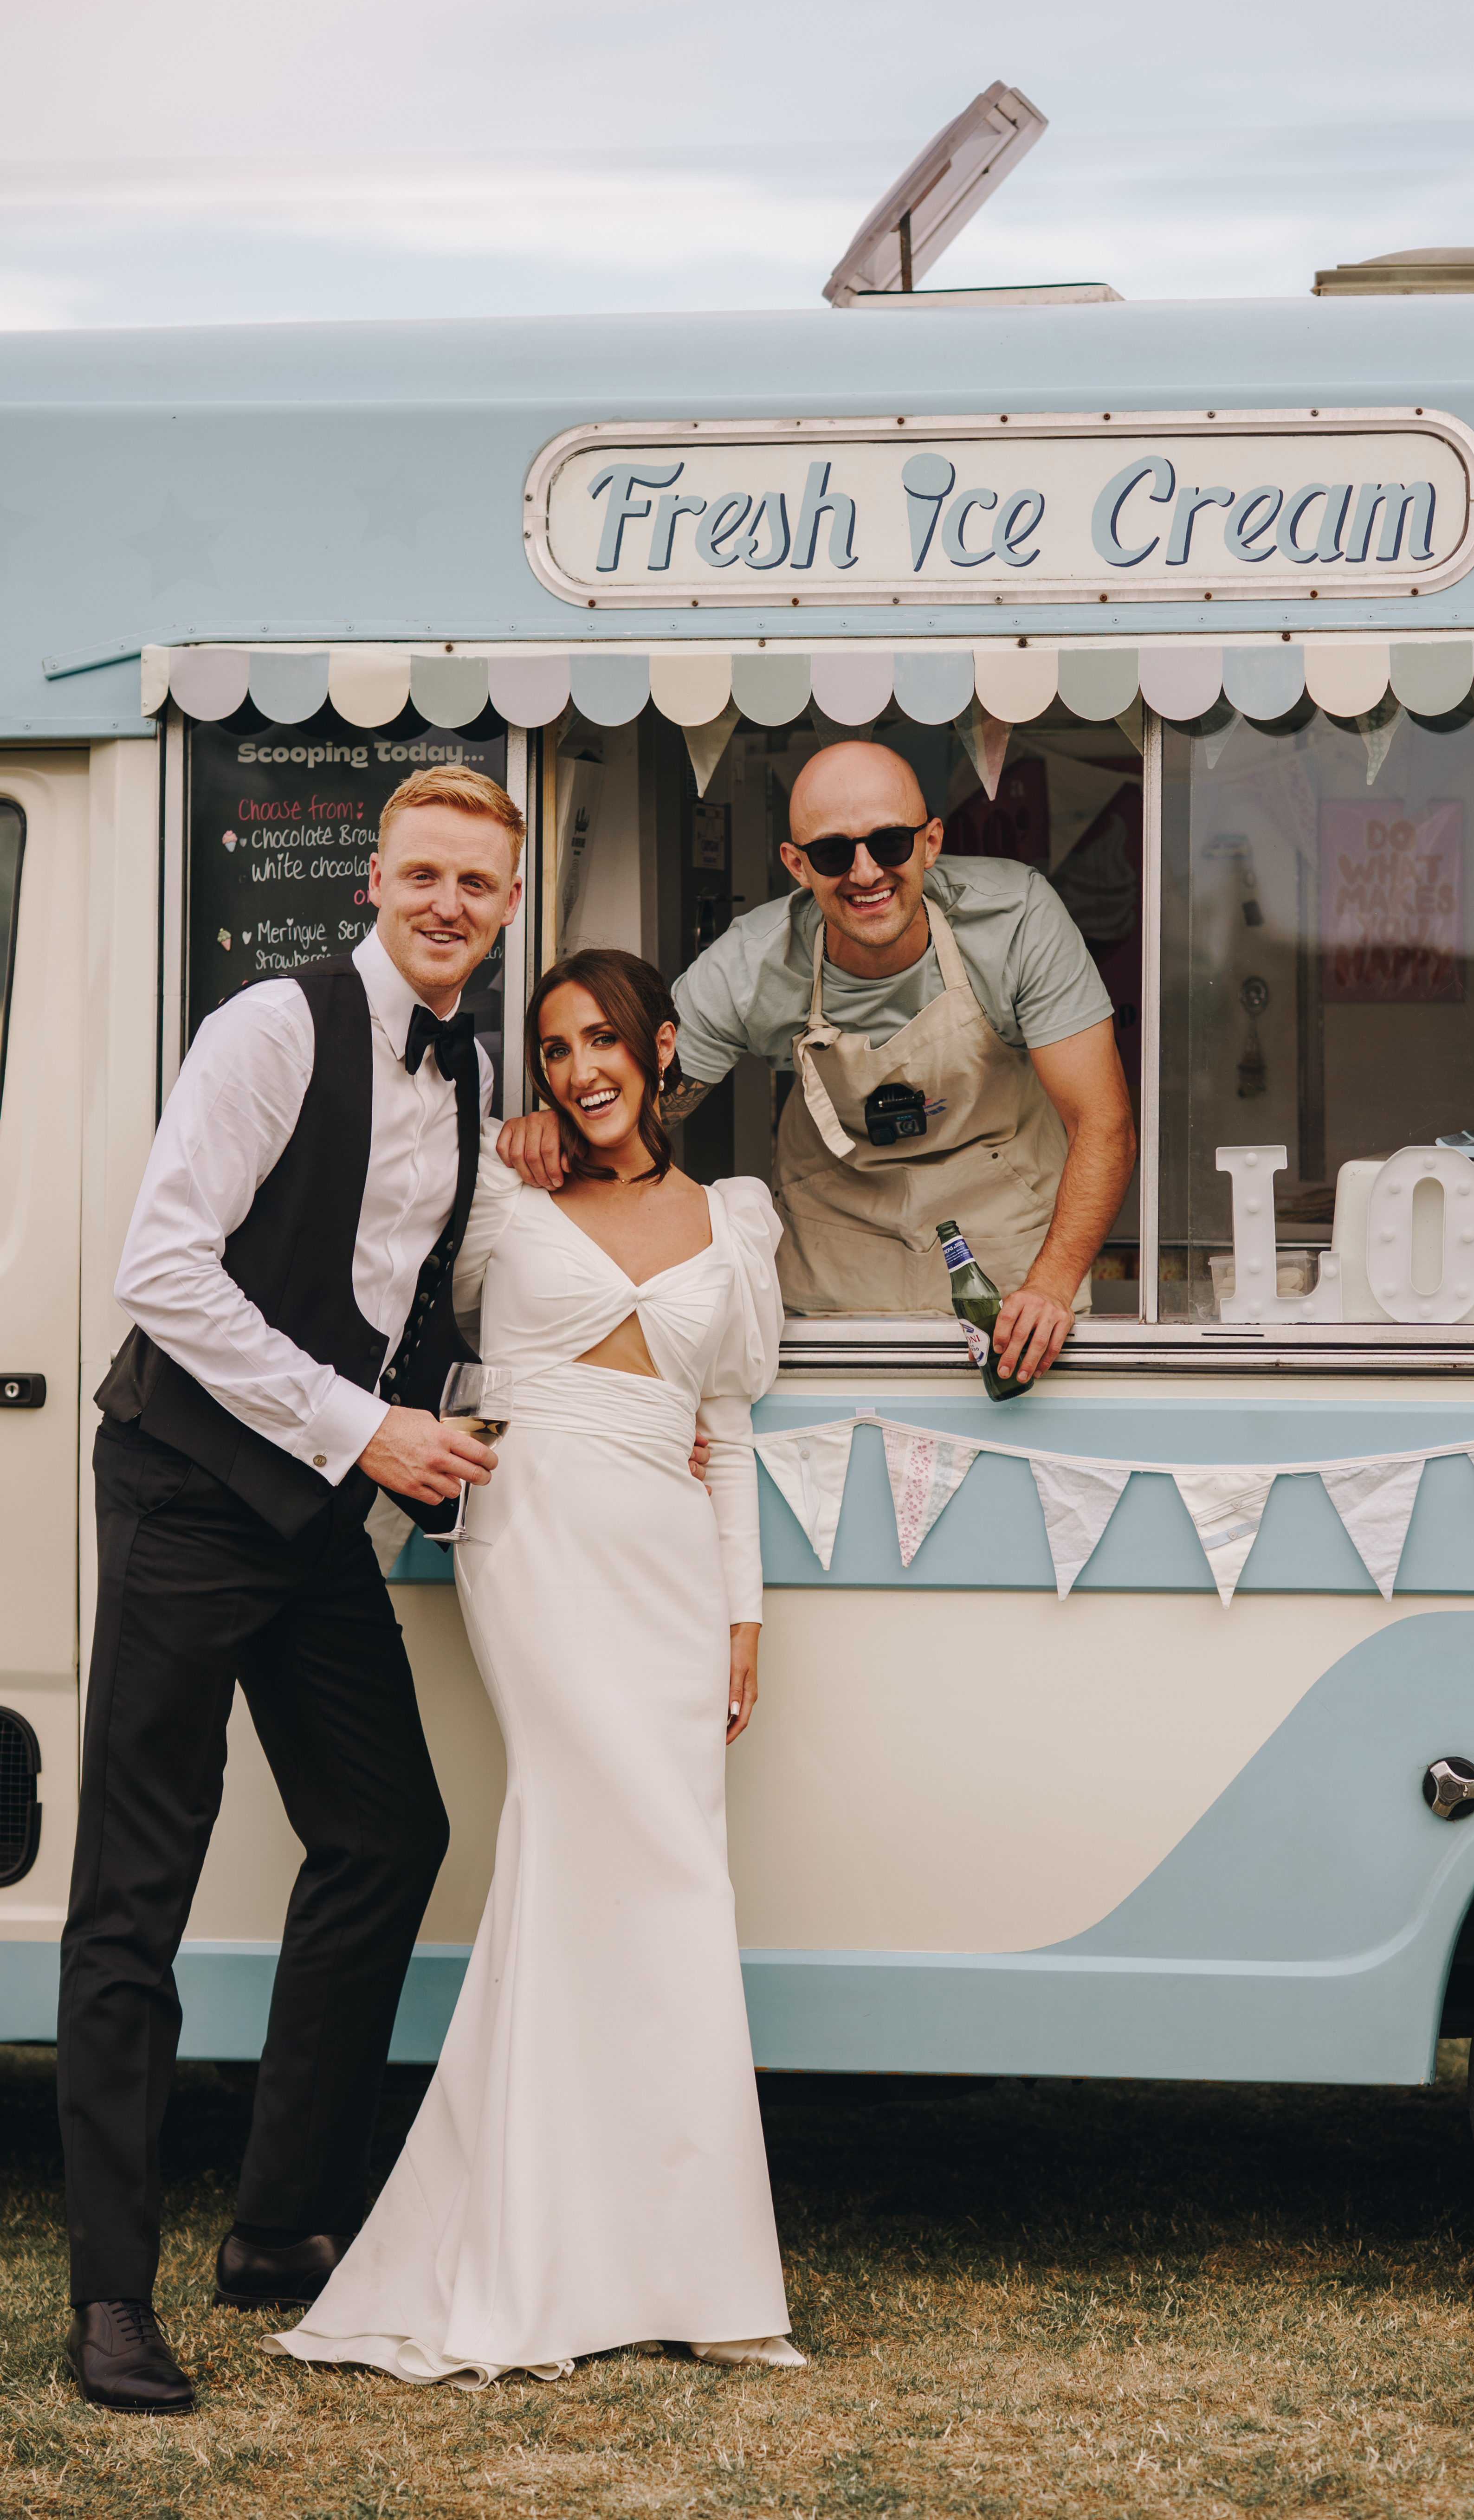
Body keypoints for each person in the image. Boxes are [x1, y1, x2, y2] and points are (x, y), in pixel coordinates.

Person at [57, 765, 709, 2417]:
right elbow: (161, 1269)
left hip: (310, 1515)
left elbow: (419, 1274)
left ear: (501, 913)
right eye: (423, 875)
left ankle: (277, 2224)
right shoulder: (268, 1030)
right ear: (374, 878)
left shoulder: (480, 1064)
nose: (447, 906)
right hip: (190, 1492)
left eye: (476, 889)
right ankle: (111, 2302)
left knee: (389, 1830)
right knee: (138, 1884)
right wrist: (368, 1434)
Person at [269, 947, 802, 2385]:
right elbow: (410, 1309)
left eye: (602, 1041)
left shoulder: (731, 1221)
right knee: (579, 1835)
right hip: (534, 1537)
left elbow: (730, 1430)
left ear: (660, 1050)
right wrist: (493, 1159)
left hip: (672, 1561)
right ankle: (525, 2249)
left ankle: (685, 2264)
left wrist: (745, 1615)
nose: (580, 1070)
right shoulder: (505, 1193)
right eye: (557, 1049)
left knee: (677, 1876)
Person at [501, 739, 1137, 1386]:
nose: (865, 873)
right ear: (797, 865)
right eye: (834, 852)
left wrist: (1053, 1285)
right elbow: (639, 1094)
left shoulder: (1016, 919)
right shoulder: (750, 965)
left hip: (1008, 1267)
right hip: (835, 1272)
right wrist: (567, 1124)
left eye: (889, 843)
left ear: (931, 841)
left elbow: (1103, 1122)